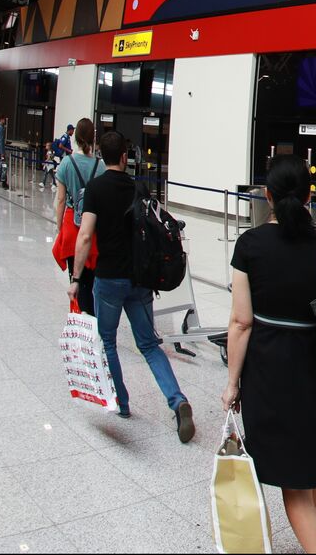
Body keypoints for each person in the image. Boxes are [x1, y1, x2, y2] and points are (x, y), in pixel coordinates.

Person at [221, 154, 316, 555]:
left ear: (267, 195)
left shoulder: (249, 245)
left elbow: (241, 322)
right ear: (309, 196)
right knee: (313, 470)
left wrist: (232, 383)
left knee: (293, 483)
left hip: (269, 371)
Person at [66, 130, 194, 439]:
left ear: (102, 156)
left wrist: (76, 278)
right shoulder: (139, 188)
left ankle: (122, 403)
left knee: (108, 342)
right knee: (149, 345)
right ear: (125, 157)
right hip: (140, 279)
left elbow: (85, 235)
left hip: (108, 279)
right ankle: (178, 401)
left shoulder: (95, 189)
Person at [53, 118, 101, 315]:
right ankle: (91, 318)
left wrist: (59, 226)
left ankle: (79, 318)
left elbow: (61, 199)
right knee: (91, 279)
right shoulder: (100, 166)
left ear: (76, 138)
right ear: (93, 138)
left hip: (72, 225)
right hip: (93, 226)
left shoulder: (66, 163)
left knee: (75, 276)